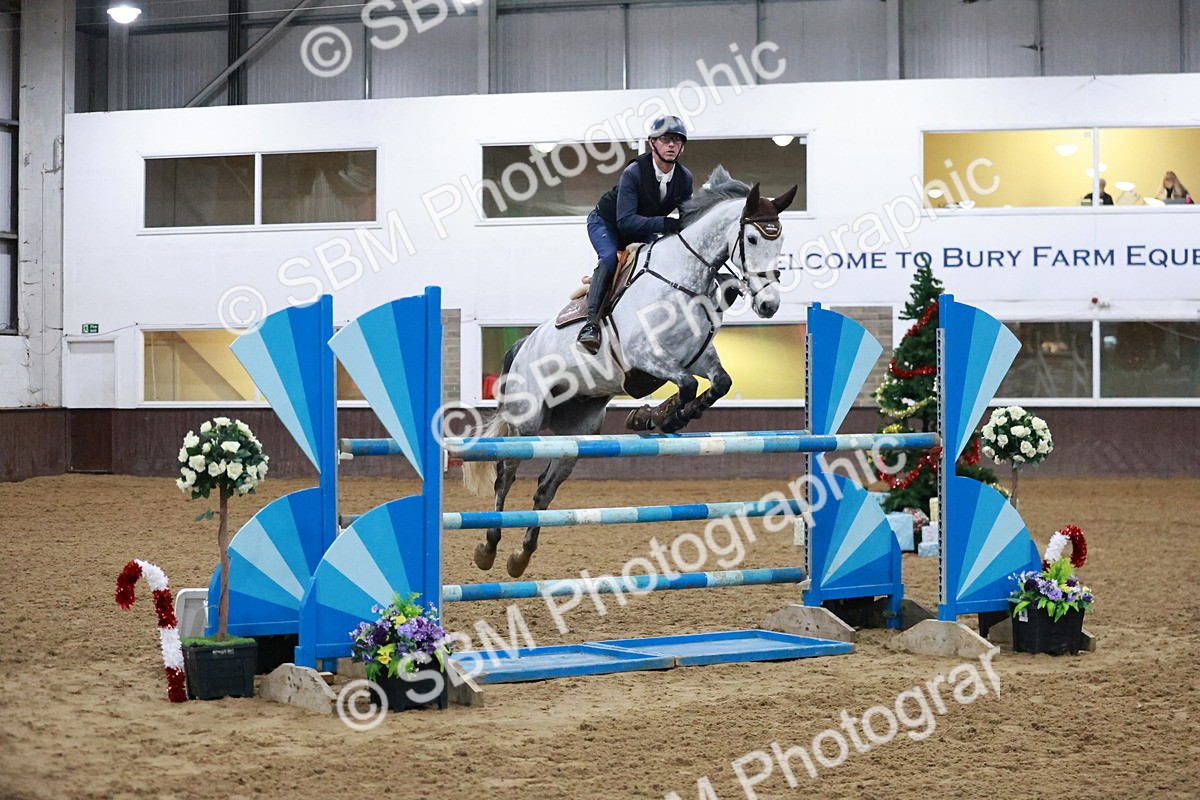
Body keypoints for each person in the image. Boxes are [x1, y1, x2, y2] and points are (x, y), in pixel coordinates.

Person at [577, 115, 694, 354]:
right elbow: (626, 221)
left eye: (677, 140)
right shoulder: (634, 173)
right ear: (652, 143)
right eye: (665, 139)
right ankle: (591, 326)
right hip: (607, 224)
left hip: (642, 230)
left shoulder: (684, 179)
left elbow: (685, 221)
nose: (671, 145)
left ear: (682, 146)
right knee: (610, 258)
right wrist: (665, 223)